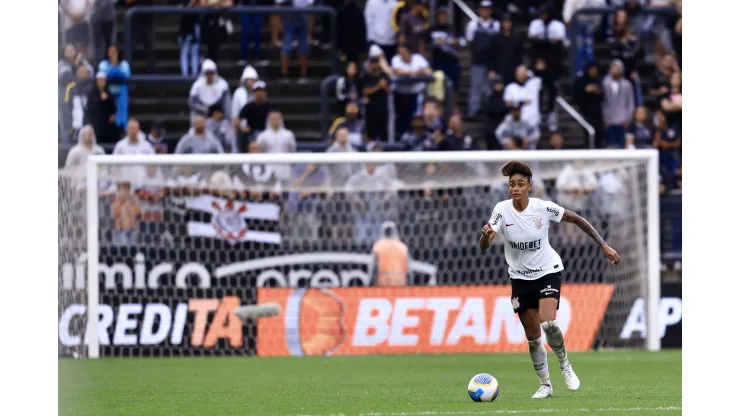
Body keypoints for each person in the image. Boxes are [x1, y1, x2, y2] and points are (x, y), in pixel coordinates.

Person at [480, 160, 620, 399]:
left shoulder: (543, 208)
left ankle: (565, 365)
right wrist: (485, 236)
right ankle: (545, 384)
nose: (515, 188)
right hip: (519, 278)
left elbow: (577, 219)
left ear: (529, 186)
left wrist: (603, 245)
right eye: (512, 184)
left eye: (520, 184)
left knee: (549, 323)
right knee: (533, 339)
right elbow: (485, 244)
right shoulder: (501, 210)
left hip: (547, 270)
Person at [465, 0, 499, 117]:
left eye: (487, 9)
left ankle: (489, 111)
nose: (485, 11)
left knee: (489, 88)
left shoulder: (496, 25)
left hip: (491, 61)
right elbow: (470, 42)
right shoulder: (473, 25)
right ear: (479, 10)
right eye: (483, 8)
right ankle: (473, 112)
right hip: (478, 61)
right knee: (476, 86)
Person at [98, 46, 131, 130]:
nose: (112, 53)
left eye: (114, 51)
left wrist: (115, 66)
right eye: (110, 51)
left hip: (121, 89)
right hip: (108, 89)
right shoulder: (103, 63)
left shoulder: (124, 64)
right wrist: (113, 65)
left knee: (121, 108)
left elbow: (126, 75)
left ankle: (122, 126)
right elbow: (102, 75)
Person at [369, 221, 410, 286]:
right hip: (400, 284)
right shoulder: (403, 248)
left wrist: (369, 286)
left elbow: (373, 270)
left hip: (383, 284)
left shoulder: (378, 247)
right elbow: (409, 272)